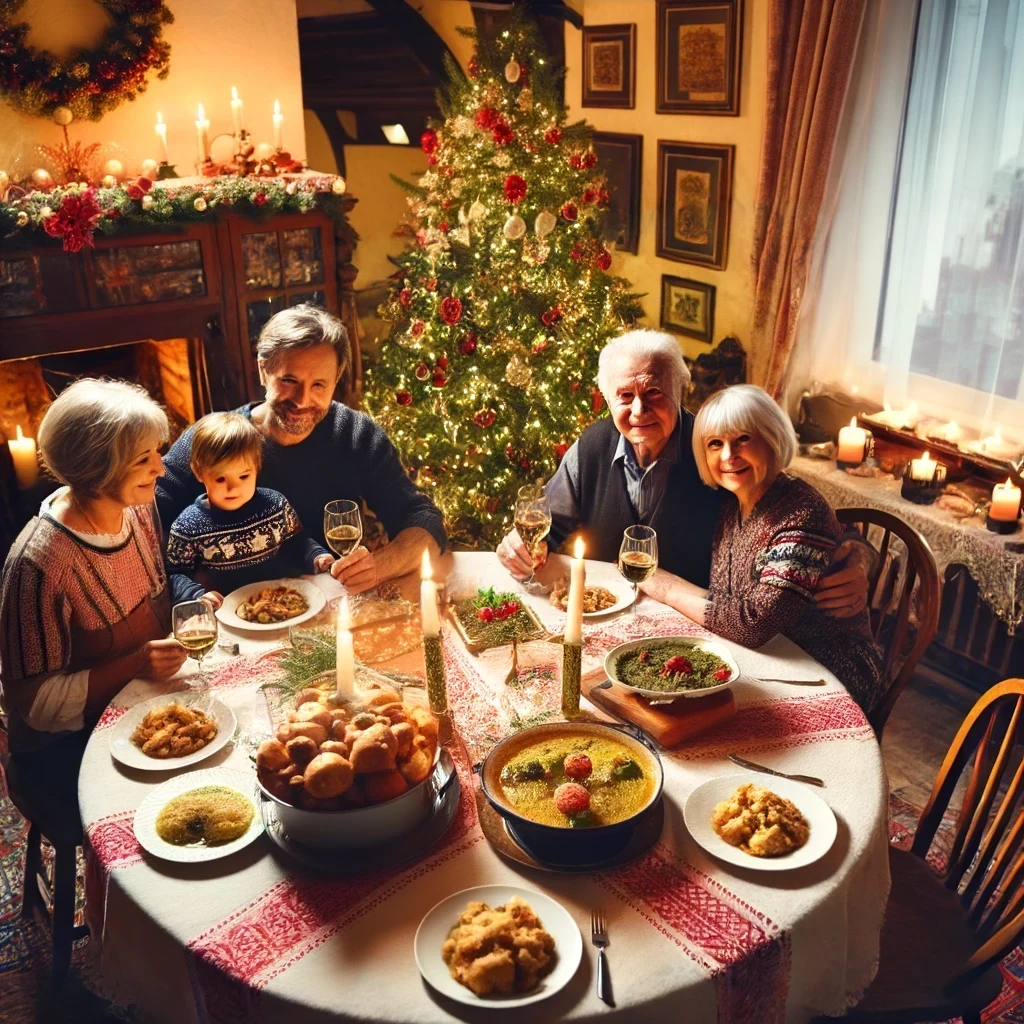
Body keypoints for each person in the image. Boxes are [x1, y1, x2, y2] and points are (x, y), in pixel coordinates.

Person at [496, 329, 869, 618]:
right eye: (625, 396)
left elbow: (798, 515)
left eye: (654, 393)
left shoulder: (716, 448)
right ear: (607, 399)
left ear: (681, 390)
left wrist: (859, 560)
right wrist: (521, 546)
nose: (639, 409)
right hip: (607, 616)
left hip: (702, 624)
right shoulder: (592, 446)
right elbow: (549, 524)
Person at [158, 305, 446, 593]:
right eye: (289, 380)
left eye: (319, 384)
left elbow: (423, 518)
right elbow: (145, 516)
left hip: (333, 604)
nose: (302, 400)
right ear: (263, 369)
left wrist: (378, 567)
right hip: (239, 616)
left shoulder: (356, 434)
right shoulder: (215, 439)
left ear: (337, 378)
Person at [0, 380, 190, 808]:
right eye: (144, 459)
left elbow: (157, 596)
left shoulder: (138, 507)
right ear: (96, 469)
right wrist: (137, 662)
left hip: (145, 704)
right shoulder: (41, 563)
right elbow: (37, 706)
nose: (160, 468)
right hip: (67, 748)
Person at [641, 384, 884, 713]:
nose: (728, 455)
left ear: (771, 439)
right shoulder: (733, 503)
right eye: (715, 444)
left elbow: (751, 624)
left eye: (743, 439)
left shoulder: (801, 514)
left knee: (685, 711)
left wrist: (662, 585)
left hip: (827, 673)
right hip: (766, 657)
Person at [167, 411, 322, 601]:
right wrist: (197, 595)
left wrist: (317, 556)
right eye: (220, 478)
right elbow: (176, 574)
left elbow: (298, 543)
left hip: (281, 601)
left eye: (244, 476)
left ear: (257, 466)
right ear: (198, 472)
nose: (233, 488)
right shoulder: (188, 526)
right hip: (226, 615)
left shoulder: (276, 506)